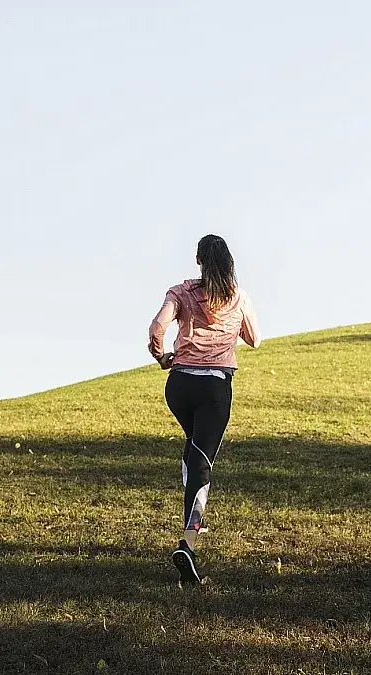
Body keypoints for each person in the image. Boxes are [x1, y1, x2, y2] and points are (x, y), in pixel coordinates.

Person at [148, 234, 260, 585]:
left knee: (194, 446)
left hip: (178, 385)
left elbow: (157, 327)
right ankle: (189, 542)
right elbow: (255, 339)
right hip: (215, 388)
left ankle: (189, 527)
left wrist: (160, 355)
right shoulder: (238, 298)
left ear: (198, 260)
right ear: (228, 262)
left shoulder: (180, 292)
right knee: (202, 464)